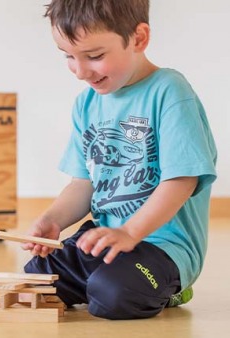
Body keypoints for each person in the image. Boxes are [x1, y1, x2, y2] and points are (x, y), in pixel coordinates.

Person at [21, 0, 217, 320]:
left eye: (95, 56)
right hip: (104, 241)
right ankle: (96, 282)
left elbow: (182, 180)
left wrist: (130, 232)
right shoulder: (86, 103)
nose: (80, 71)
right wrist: (53, 219)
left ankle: (171, 289)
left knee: (113, 296)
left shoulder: (169, 90)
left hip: (162, 248)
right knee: (33, 281)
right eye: (69, 56)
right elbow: (83, 182)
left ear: (138, 38)